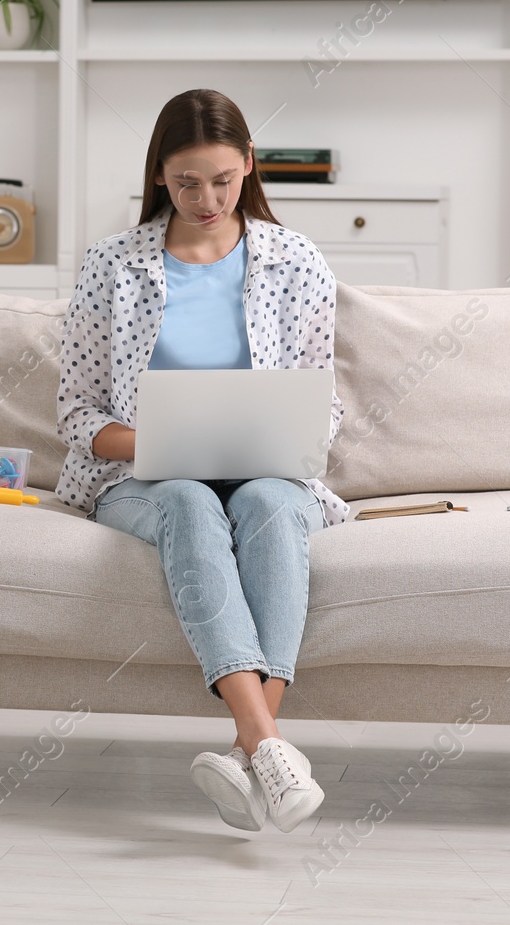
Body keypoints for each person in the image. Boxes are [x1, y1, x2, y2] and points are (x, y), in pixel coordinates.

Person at [55, 88, 350, 834]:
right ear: (158, 175)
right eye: (187, 183)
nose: (208, 198)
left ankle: (251, 752)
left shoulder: (297, 261)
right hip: (142, 477)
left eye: (224, 179)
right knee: (187, 496)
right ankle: (269, 745)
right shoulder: (112, 265)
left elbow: (325, 404)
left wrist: (282, 439)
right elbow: (78, 416)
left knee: (272, 504)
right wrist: (158, 442)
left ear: (249, 166)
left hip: (264, 472)